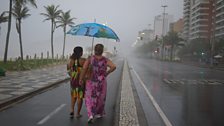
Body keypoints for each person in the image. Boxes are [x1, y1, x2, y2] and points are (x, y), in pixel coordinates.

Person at [79, 44, 116, 123]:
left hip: (91, 81)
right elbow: (113, 66)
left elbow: (84, 69)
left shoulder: (90, 58)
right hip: (101, 82)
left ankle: (90, 114)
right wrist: (107, 73)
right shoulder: (105, 60)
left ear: (94, 50)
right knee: (100, 98)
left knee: (89, 98)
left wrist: (81, 79)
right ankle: (98, 113)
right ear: (102, 51)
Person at [67, 46, 86, 119]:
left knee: (73, 95)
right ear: (81, 52)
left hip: (73, 80)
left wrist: (72, 74)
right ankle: (78, 113)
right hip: (80, 81)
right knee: (80, 97)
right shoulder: (83, 60)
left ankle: (72, 109)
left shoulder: (71, 60)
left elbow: (68, 69)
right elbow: (87, 68)